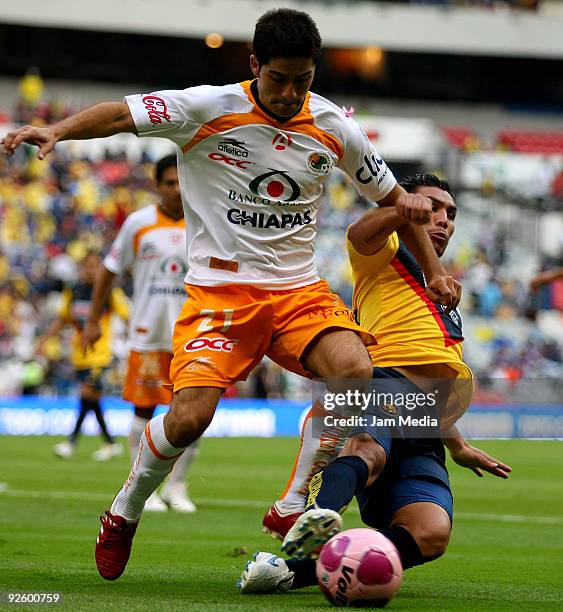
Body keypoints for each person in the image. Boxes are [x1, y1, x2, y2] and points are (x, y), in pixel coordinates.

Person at [2, 10, 461, 582]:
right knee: (189, 418)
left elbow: (395, 199)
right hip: (221, 293)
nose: (293, 93)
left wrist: (436, 272)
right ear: (254, 67)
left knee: (354, 370)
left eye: (304, 79)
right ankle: (125, 509)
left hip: (298, 290)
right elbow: (121, 112)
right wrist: (56, 131)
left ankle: (293, 502)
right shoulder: (205, 107)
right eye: (280, 79)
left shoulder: (333, 126)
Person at [239, 174, 512, 594]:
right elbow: (359, 234)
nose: (443, 219)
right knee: (367, 450)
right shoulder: (387, 255)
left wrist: (457, 445)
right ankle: (314, 519)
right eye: (432, 207)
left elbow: (432, 378)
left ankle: (294, 571)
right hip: (383, 385)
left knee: (431, 532)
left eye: (451, 213)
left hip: (424, 421)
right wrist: (399, 209)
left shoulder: (440, 283)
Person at [83, 154, 199, 513]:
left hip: (192, 334)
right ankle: (140, 487)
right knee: (143, 411)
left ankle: (177, 488)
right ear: (157, 184)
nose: (177, 190)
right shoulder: (139, 223)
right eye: (169, 182)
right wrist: (92, 319)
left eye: (182, 182)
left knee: (192, 415)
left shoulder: (204, 222)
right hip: (148, 332)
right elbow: (109, 269)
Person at [37, 250, 129, 460]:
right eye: (87, 265)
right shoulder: (74, 291)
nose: (91, 270)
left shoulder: (110, 292)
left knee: (87, 395)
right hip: (79, 356)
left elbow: (127, 316)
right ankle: (110, 443)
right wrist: (43, 341)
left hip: (100, 355)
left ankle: (71, 443)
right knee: (91, 401)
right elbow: (62, 320)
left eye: (96, 265)